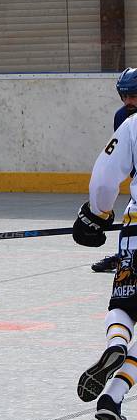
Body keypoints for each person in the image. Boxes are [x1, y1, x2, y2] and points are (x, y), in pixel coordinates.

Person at [73, 67, 137, 420]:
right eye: (125, 95)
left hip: (135, 229)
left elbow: (104, 177)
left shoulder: (131, 126)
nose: (129, 102)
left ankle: (115, 345)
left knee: (125, 302)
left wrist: (96, 214)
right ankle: (113, 394)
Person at [92, 74, 137, 272]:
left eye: (134, 95)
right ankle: (124, 256)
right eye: (124, 95)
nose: (128, 101)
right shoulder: (122, 117)